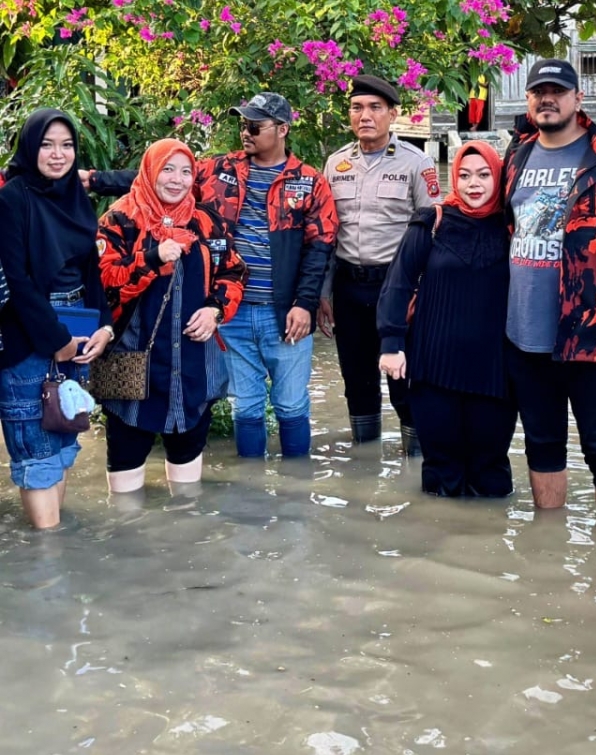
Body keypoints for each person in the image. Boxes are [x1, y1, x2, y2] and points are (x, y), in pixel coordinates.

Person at [502, 59, 596, 523]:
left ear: (577, 99)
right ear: (529, 100)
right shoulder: (518, 154)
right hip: (524, 332)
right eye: (538, 92)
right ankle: (548, 548)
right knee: (541, 443)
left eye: (557, 91)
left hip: (592, 336)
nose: (547, 99)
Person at [97, 138, 247, 493]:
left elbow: (233, 272)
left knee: (187, 491)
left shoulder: (206, 222)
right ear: (150, 171)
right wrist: (152, 259)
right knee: (125, 473)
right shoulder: (120, 219)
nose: (177, 180)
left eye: (185, 171)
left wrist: (216, 310)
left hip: (194, 365)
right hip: (130, 363)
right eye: (168, 169)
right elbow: (104, 283)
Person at [197, 92, 337, 459]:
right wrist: (94, 179)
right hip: (232, 310)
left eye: (255, 126)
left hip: (285, 313)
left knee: (291, 405)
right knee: (246, 407)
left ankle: (296, 497)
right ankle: (251, 495)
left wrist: (305, 305)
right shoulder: (218, 171)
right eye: (243, 125)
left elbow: (319, 248)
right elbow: (163, 178)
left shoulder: (309, 181)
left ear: (283, 129)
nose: (246, 132)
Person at [377, 141, 515, 496]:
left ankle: (492, 544)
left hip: (494, 372)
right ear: (454, 177)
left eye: (484, 175)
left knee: (491, 473)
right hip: (433, 367)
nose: (474, 184)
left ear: (498, 177)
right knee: (441, 471)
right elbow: (398, 281)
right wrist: (391, 343)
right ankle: (437, 541)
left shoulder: (513, 226)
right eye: (465, 175)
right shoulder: (432, 221)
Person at [0, 109, 115, 529]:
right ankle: (47, 570)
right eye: (47, 144)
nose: (58, 154)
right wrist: (55, 340)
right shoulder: (13, 198)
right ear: (31, 147)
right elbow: (17, 280)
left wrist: (104, 326)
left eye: (67, 145)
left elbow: (91, 272)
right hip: (29, 340)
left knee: (64, 440)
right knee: (36, 454)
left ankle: (60, 559)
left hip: (77, 333)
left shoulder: (75, 198)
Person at [320, 74, 441, 452]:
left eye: (375, 108)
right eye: (357, 108)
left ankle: (415, 466)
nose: (365, 116)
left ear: (392, 114)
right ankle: (365, 460)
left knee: (406, 380)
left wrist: (426, 296)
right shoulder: (336, 163)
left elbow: (435, 232)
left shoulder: (416, 164)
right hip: (348, 287)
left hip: (398, 288)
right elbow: (326, 235)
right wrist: (324, 294)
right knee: (357, 382)